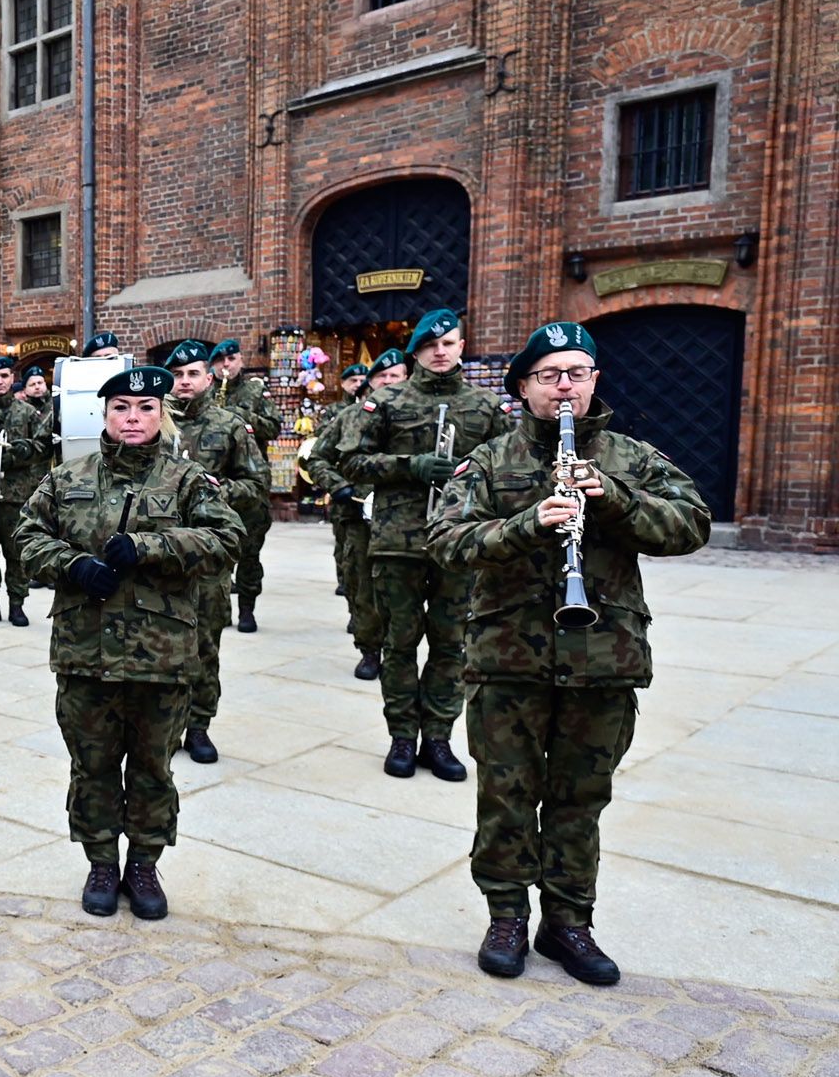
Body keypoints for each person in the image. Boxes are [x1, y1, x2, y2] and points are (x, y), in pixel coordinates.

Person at [431, 322, 709, 985]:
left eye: (576, 373)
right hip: (508, 658)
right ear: (524, 385)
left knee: (581, 797)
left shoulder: (629, 457)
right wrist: (528, 523)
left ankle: (569, 921)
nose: (564, 386)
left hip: (602, 657)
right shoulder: (490, 462)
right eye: (550, 374)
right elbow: (445, 539)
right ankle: (506, 915)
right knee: (506, 794)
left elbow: (692, 522)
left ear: (593, 383)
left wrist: (614, 500)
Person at [16, 365, 241, 920]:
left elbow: (228, 537)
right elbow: (26, 535)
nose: (133, 418)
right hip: (83, 652)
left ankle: (143, 862)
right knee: (91, 765)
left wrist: (151, 546)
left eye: (144, 409)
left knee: (152, 767)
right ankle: (99, 861)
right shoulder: (66, 478)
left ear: (160, 415)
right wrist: (72, 565)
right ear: (105, 414)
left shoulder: (187, 481)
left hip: (160, 655)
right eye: (121, 408)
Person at [340, 309, 509, 781]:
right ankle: (401, 734)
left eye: (449, 343)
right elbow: (351, 461)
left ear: (460, 347)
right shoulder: (386, 401)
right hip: (398, 540)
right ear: (416, 350)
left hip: (459, 540)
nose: (440, 352)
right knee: (399, 642)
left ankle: (438, 735)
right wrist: (409, 466)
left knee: (452, 643)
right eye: (431, 345)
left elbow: (507, 469)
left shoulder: (484, 406)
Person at [161, 339, 268, 764]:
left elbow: (257, 485)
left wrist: (221, 490)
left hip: (207, 555)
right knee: (163, 644)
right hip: (160, 552)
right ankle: (166, 724)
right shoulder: (152, 421)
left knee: (204, 644)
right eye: (178, 375)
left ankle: (200, 725)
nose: (185, 382)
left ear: (209, 377)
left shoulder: (230, 426)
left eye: (193, 374)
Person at [303, 359, 381, 678]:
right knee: (358, 577)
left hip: (406, 518)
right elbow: (317, 457)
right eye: (381, 378)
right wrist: (341, 487)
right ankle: (370, 649)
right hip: (354, 509)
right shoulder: (344, 415)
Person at [0, 356, 51, 626]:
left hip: (15, 495)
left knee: (16, 552)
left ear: (12, 379)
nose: (0, 381)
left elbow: (42, 447)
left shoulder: (27, 413)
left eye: (4, 376)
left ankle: (17, 604)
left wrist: (21, 453)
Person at [209, 338, 280, 631]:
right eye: (221, 361)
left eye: (232, 359)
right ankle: (220, 607)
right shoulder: (205, 393)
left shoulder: (256, 390)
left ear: (240, 361)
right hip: (218, 483)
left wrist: (242, 418)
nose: (227, 365)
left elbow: (274, 427)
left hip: (250, 482)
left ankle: (247, 609)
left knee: (250, 553)